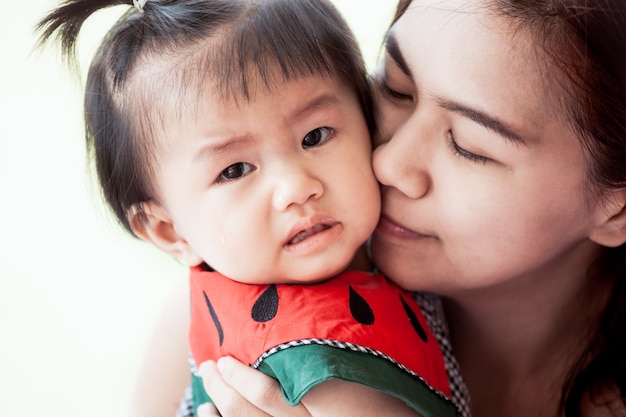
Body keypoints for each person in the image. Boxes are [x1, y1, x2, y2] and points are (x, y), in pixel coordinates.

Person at [193, 0, 626, 416]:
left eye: (469, 147)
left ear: (616, 210)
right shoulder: (240, 300)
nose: (388, 163)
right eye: (395, 88)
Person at [35, 1, 465, 416]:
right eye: (235, 169)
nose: (296, 188)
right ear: (170, 231)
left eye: (315, 136)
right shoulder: (213, 327)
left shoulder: (410, 247)